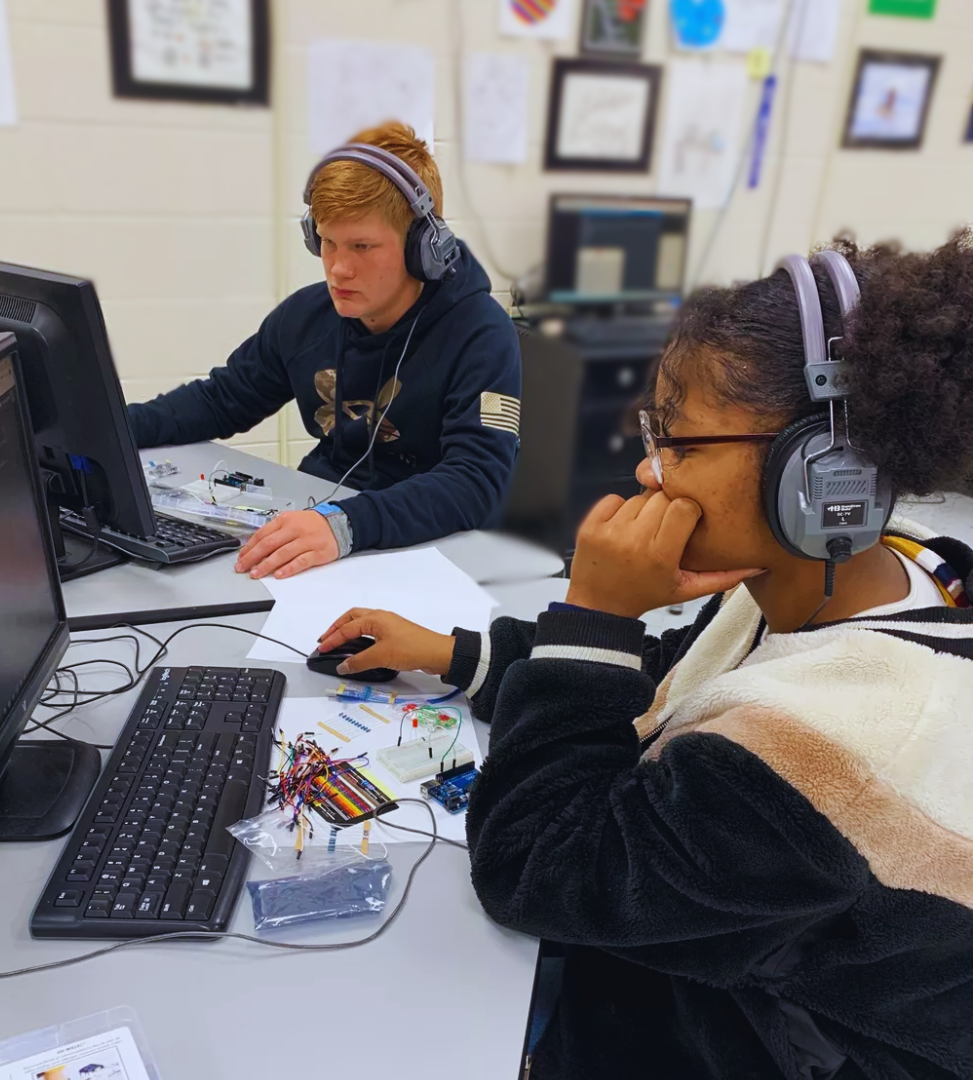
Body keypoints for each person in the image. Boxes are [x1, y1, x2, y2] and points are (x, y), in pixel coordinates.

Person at [315, 235, 973, 1079]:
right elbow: (679, 674)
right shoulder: (883, 569)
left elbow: (539, 868)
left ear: (822, 467)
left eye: (680, 443)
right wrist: (454, 654)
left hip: (748, 1044)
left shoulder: (838, 748)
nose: (648, 470)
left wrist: (593, 612)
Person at [126, 121, 521, 580]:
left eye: (362, 246)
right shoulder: (307, 316)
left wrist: (343, 525)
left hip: (438, 549)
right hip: (325, 526)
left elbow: (477, 480)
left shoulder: (483, 334)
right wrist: (110, 430)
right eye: (327, 242)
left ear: (424, 248)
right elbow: (221, 401)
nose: (338, 268)